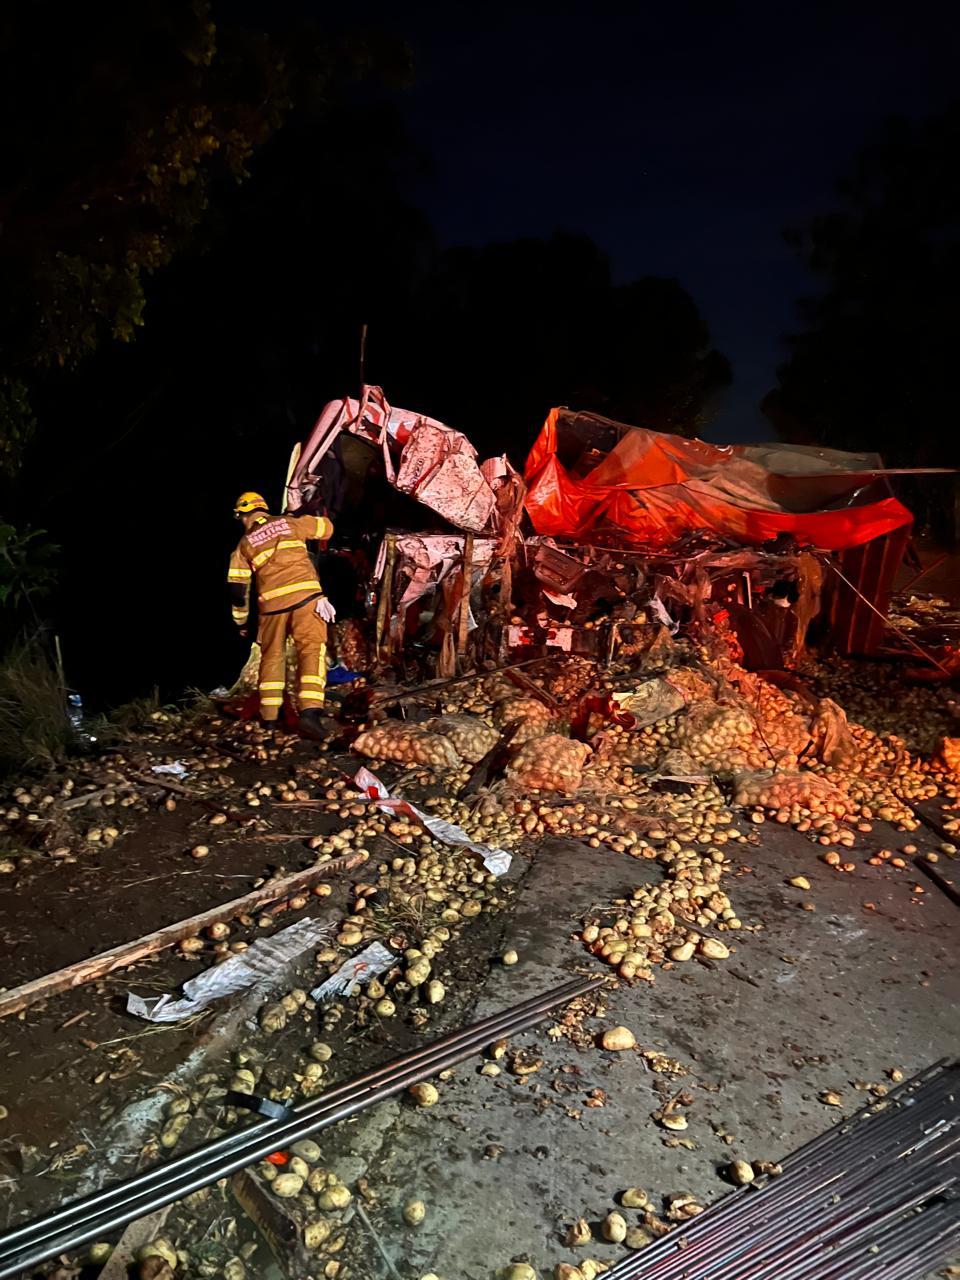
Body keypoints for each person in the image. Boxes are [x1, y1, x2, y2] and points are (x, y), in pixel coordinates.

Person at [228, 492, 336, 735]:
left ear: (244, 516)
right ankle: (310, 713)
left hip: (271, 608)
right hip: (306, 599)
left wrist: (241, 622)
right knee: (311, 650)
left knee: (272, 657)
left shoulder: (244, 545)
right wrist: (304, 512)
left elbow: (237, 590)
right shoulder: (289, 523)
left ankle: (269, 719)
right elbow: (326, 528)